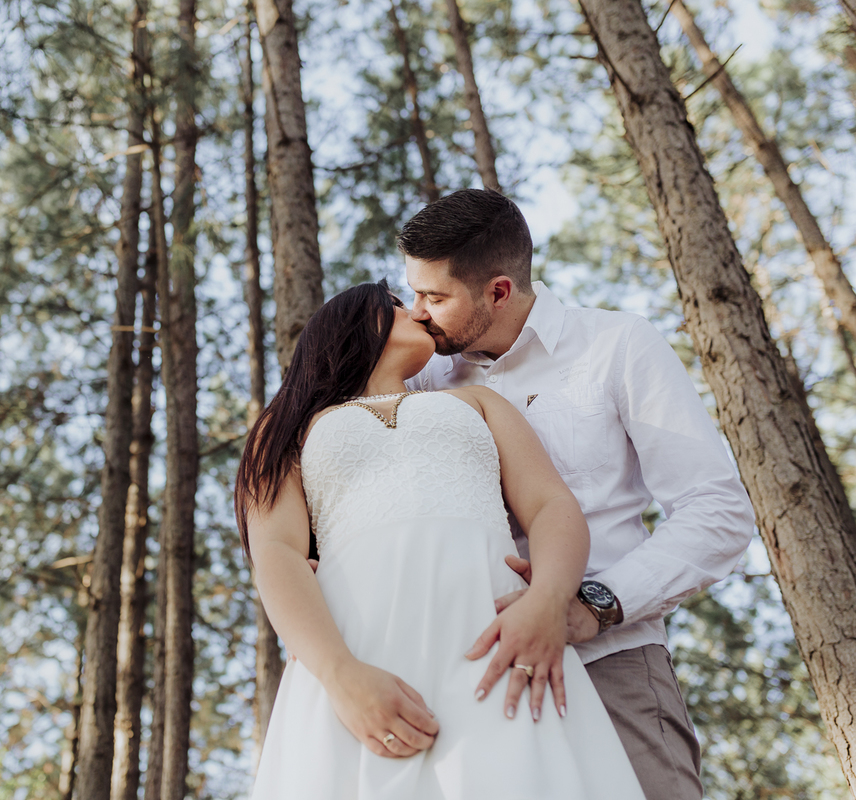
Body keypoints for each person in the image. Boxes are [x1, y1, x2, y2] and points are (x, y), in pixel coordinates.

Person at [400, 189, 756, 800]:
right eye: (414, 292)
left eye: (435, 297)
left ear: (499, 291)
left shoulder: (616, 345)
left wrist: (592, 604)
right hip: (467, 679)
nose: (418, 311)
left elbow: (717, 510)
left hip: (609, 664)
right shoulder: (422, 377)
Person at [237, 280, 646, 799]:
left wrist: (547, 600)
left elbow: (551, 506)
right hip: (358, 649)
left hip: (496, 635)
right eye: (398, 306)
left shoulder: (478, 401)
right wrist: (340, 675)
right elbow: (276, 552)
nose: (420, 313)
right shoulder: (286, 429)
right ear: (355, 325)